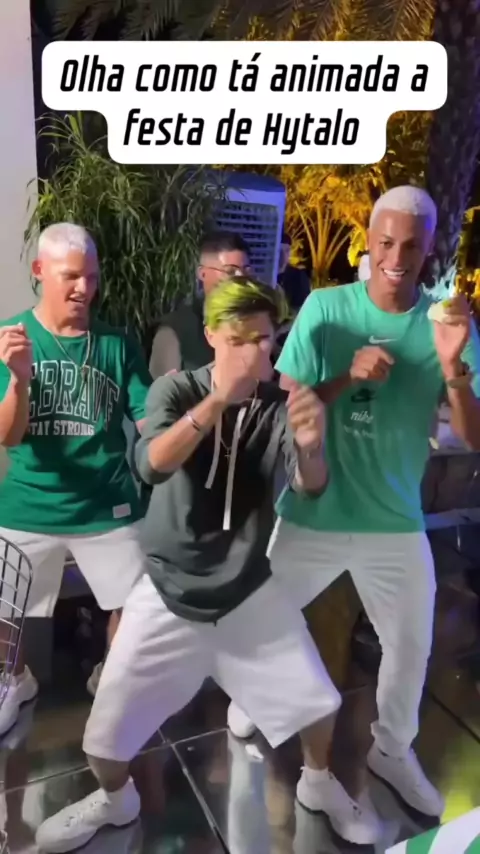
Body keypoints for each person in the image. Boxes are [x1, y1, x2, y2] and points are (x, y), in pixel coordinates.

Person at [35, 278, 383, 852]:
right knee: (103, 740)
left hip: (248, 590)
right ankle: (117, 800)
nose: (256, 353)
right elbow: (152, 465)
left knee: (321, 703)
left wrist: (311, 446)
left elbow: (310, 487)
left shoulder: (277, 406)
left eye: (265, 340)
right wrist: (218, 401)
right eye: (241, 339)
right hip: (168, 590)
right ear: (212, 336)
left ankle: (318, 783)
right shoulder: (176, 390)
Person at [227, 185, 480, 818]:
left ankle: (391, 749)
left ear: (429, 250)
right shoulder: (326, 306)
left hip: (394, 522)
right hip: (314, 511)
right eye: (385, 242)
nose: (396, 258)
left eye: (411, 247)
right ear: (369, 240)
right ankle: (253, 697)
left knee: (411, 645)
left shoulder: (447, 326)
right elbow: (283, 406)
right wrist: (347, 376)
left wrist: (454, 369)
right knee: (264, 618)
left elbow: (472, 436)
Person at [0, 223, 152, 733]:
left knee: (138, 600)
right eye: (70, 276)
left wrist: (175, 410)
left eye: (91, 276)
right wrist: (18, 380)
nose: (84, 288)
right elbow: (7, 436)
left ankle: (115, 676)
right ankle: (13, 679)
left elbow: (147, 417)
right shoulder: (12, 338)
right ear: (40, 271)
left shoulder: (117, 343)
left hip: (107, 501)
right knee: (1, 601)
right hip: (30, 499)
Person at [149, 231, 252, 378]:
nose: (241, 279)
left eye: (246, 270)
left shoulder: (255, 323)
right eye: (230, 271)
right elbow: (160, 391)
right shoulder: (176, 329)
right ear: (202, 274)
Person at [278, 231, 311, 314]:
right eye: (279, 251)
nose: (283, 256)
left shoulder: (299, 278)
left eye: (287, 251)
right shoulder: (262, 276)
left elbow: (302, 310)